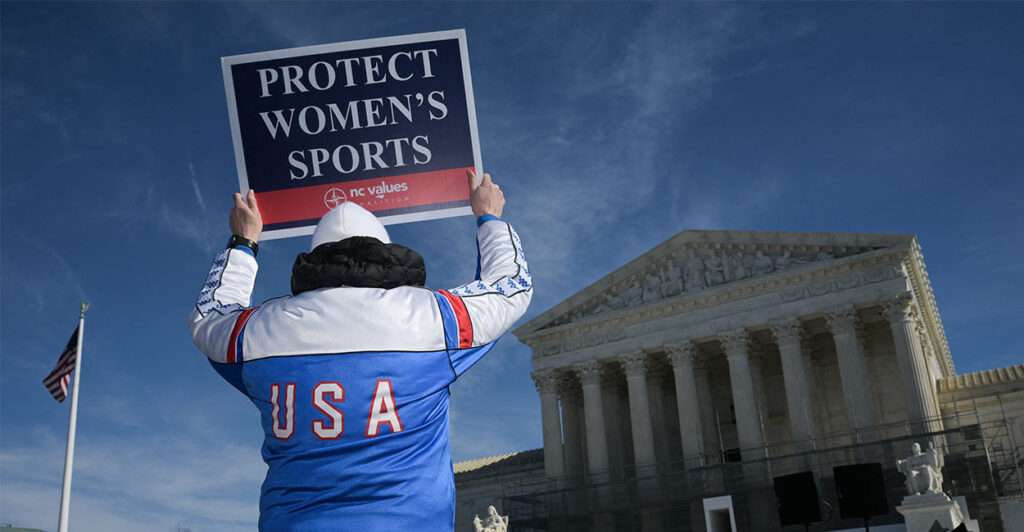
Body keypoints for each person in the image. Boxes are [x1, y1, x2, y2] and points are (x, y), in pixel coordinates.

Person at [188, 170, 532, 531]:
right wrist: (489, 216)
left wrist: (244, 241)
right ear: (384, 249)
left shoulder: (259, 332)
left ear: (315, 256)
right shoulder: (433, 319)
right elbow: (511, 287)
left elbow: (209, 317)